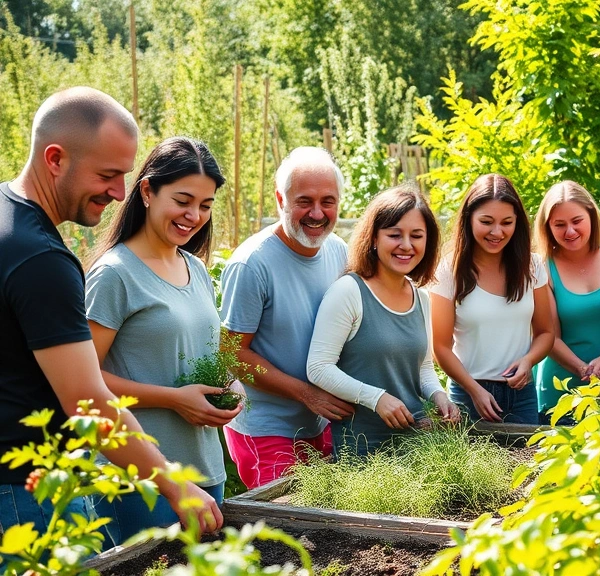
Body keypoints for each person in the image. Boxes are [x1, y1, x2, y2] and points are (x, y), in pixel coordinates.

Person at [0, 87, 222, 551]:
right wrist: (175, 483)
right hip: (27, 496)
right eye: (107, 174)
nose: (119, 192)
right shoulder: (41, 259)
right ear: (55, 158)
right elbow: (87, 397)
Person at [84, 137, 239, 546]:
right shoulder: (115, 274)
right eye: (183, 200)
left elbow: (210, 352)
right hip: (141, 477)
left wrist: (231, 385)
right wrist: (173, 399)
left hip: (204, 469)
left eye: (205, 206)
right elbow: (84, 382)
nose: (194, 216)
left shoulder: (195, 268)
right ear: (148, 191)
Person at [220, 147, 353, 489]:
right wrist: (306, 394)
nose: (317, 213)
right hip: (268, 428)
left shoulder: (338, 250)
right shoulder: (252, 264)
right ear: (280, 199)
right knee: (284, 531)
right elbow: (233, 354)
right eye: (304, 201)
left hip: (323, 421)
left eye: (328, 201)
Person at [307, 184, 460, 454]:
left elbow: (423, 368)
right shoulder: (348, 292)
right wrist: (375, 398)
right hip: (363, 452)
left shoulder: (421, 297)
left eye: (417, 235)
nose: (406, 245)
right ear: (374, 238)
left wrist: (439, 396)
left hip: (417, 444)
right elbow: (318, 368)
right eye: (394, 234)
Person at [430, 174, 554, 424]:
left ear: (517, 222)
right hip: (468, 393)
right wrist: (474, 391)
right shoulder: (448, 270)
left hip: (522, 395)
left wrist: (529, 360)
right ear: (469, 219)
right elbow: (440, 347)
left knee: (528, 463)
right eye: (486, 222)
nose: (497, 232)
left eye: (507, 222)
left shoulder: (532, 266)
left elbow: (546, 333)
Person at [532, 181, 600, 421]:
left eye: (576, 221)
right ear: (547, 227)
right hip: (561, 395)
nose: (570, 232)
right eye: (559, 225)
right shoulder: (541, 267)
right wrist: (583, 370)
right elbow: (549, 334)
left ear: (591, 217)